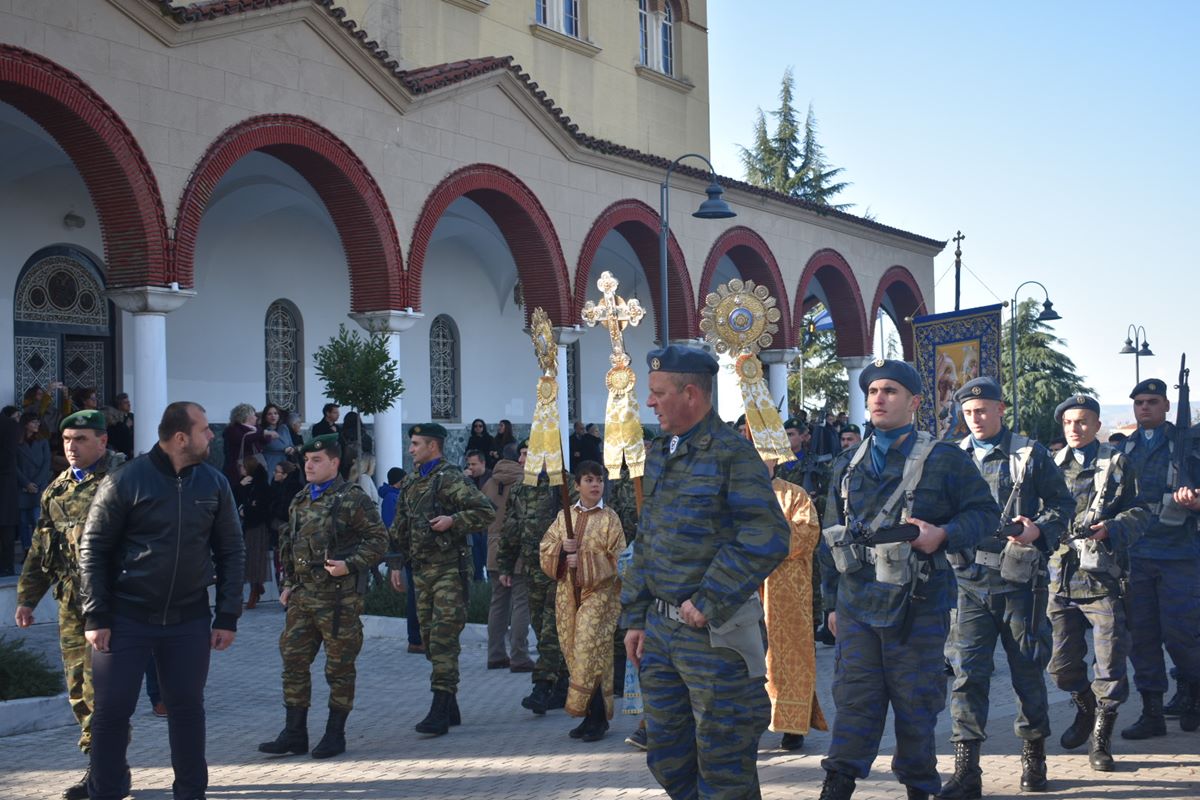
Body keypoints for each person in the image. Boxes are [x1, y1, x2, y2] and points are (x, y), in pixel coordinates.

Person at [818, 359, 998, 800]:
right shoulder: (847, 463)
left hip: (917, 604)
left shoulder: (945, 460)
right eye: (872, 391)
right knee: (855, 700)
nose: (878, 398)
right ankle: (836, 785)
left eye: (890, 391)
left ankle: (920, 787)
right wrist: (831, 604)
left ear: (914, 402)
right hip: (858, 603)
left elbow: (985, 515)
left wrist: (944, 534)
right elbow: (830, 537)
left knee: (915, 705)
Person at [621, 344, 790, 800]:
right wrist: (635, 616)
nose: (650, 402)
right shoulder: (660, 454)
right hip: (661, 634)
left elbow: (768, 535)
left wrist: (709, 598)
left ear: (691, 394)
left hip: (713, 638)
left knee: (724, 764)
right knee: (667, 758)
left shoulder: (733, 455)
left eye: (658, 393)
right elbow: (648, 537)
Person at [80, 401, 244, 800]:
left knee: (187, 709)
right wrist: (96, 615)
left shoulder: (214, 483)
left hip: (189, 618)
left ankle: (191, 792)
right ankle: (107, 791)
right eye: (205, 430)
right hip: (126, 617)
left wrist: (227, 615)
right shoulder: (125, 480)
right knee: (112, 711)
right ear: (181, 437)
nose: (212, 435)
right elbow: (94, 549)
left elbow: (231, 551)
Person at [940, 376, 1075, 798]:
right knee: (967, 675)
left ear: (1000, 409)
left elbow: (1063, 504)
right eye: (968, 412)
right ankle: (966, 770)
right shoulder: (952, 457)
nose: (975, 418)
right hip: (966, 583)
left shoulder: (1028, 455)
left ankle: (1034, 757)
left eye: (982, 410)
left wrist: (1040, 529)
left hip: (1019, 584)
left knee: (1027, 672)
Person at [14, 410, 125, 799]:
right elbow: (40, 548)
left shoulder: (122, 481)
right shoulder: (57, 489)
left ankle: (105, 772)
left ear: (102, 441)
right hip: (72, 605)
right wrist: (27, 598)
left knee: (104, 691)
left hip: (113, 605)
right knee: (79, 689)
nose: (71, 447)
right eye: (66, 440)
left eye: (80, 439)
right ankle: (105, 767)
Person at [258, 433, 388, 760]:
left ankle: (335, 733)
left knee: (339, 667)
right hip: (303, 597)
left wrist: (350, 564)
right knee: (293, 660)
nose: (309, 465)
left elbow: (378, 540)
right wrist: (288, 583)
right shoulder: (301, 498)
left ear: (334, 462)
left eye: (316, 460)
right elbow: (290, 544)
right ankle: (294, 732)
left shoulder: (352, 498)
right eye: (306, 460)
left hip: (339, 600)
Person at [1047, 395, 1149, 772]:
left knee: (1109, 664)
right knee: (1060, 667)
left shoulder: (1117, 463)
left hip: (1103, 578)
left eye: (1083, 421)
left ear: (1097, 425)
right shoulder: (1050, 465)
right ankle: (1085, 708)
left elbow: (1141, 511)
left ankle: (1100, 740)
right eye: (1068, 422)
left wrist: (1113, 528)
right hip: (1060, 577)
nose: (1075, 428)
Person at [387, 423, 495, 736]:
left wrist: (453, 520)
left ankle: (439, 706)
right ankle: (451, 704)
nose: (411, 450)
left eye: (416, 444)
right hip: (421, 572)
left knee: (444, 639)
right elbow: (399, 527)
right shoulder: (412, 481)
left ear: (432, 446)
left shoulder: (449, 478)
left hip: (449, 571)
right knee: (430, 640)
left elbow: (485, 511)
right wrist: (395, 564)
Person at [1118, 377, 1200, 739]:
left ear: (1167, 405)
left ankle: (1193, 691)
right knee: (1142, 637)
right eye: (1139, 403)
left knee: (1181, 633)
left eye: (1152, 402)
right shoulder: (1125, 449)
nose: (1145, 408)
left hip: (1179, 553)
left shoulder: (1189, 445)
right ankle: (1151, 712)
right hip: (1136, 553)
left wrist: (1196, 502)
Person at [539, 460, 625, 741]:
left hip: (600, 593)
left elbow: (620, 559)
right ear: (577, 485)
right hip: (568, 594)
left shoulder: (610, 518)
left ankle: (599, 717)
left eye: (599, 480)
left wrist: (585, 561)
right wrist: (562, 551)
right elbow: (545, 548)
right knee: (575, 652)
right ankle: (590, 716)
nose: (595, 485)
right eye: (589, 480)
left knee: (590, 649)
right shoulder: (564, 516)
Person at [498, 449, 578, 715]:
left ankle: (542, 686)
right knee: (541, 625)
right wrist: (506, 565)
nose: (521, 460)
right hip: (533, 569)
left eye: (526, 454)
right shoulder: (521, 488)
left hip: (561, 570)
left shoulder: (565, 484)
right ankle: (563, 684)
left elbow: (582, 522)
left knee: (552, 629)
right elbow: (511, 528)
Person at [482, 443, 534, 672]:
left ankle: (495, 654)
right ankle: (519, 656)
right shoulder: (525, 482)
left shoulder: (490, 482)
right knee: (521, 602)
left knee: (498, 603)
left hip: (493, 547)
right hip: (519, 547)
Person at [378, 467, 422, 653]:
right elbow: (392, 526)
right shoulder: (392, 498)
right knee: (411, 593)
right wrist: (396, 557)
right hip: (403, 551)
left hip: (409, 550)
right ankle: (415, 639)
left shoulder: (400, 496)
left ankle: (418, 638)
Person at [236, 456, 274, 609]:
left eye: (242, 467)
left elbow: (260, 508)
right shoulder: (247, 484)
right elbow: (238, 500)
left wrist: (247, 510)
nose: (240, 470)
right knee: (249, 558)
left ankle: (255, 588)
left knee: (255, 559)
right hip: (249, 526)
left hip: (258, 526)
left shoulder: (261, 485)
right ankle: (256, 587)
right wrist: (241, 487)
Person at [16, 411, 52, 557]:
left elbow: (46, 463)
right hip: (22, 487)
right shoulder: (17, 442)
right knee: (23, 521)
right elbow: (14, 465)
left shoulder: (42, 441)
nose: (37, 424)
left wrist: (35, 484)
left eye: (38, 421)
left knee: (37, 519)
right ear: (25, 424)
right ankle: (26, 550)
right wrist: (26, 484)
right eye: (33, 422)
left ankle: (38, 552)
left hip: (39, 486)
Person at [223, 403, 272, 485]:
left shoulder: (256, 428)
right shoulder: (232, 429)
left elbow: (265, 440)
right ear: (246, 416)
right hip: (238, 468)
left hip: (253, 465)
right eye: (254, 415)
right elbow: (244, 439)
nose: (256, 417)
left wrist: (265, 434)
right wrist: (262, 434)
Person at [464, 450, 492, 582]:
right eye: (469, 464)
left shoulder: (492, 479)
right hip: (473, 527)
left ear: (483, 463)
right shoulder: (466, 480)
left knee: (490, 564)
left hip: (488, 528)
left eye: (474, 464)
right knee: (475, 566)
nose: (470, 468)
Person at [0, 409, 20, 576]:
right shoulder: (10, 425)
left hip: (5, 483)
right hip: (6, 483)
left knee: (6, 527)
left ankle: (6, 565)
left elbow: (8, 457)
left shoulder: (8, 425)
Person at [260, 403, 297, 480]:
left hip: (285, 463)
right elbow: (272, 445)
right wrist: (285, 449)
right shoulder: (263, 430)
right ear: (265, 417)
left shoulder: (284, 428)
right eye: (269, 414)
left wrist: (291, 449)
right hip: (271, 462)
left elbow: (291, 444)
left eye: (275, 413)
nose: (273, 416)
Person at [105, 394, 135, 459]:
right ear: (119, 405)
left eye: (128, 402)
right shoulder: (114, 419)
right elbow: (114, 437)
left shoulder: (132, 416)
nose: (129, 404)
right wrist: (126, 426)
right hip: (120, 454)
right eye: (125, 403)